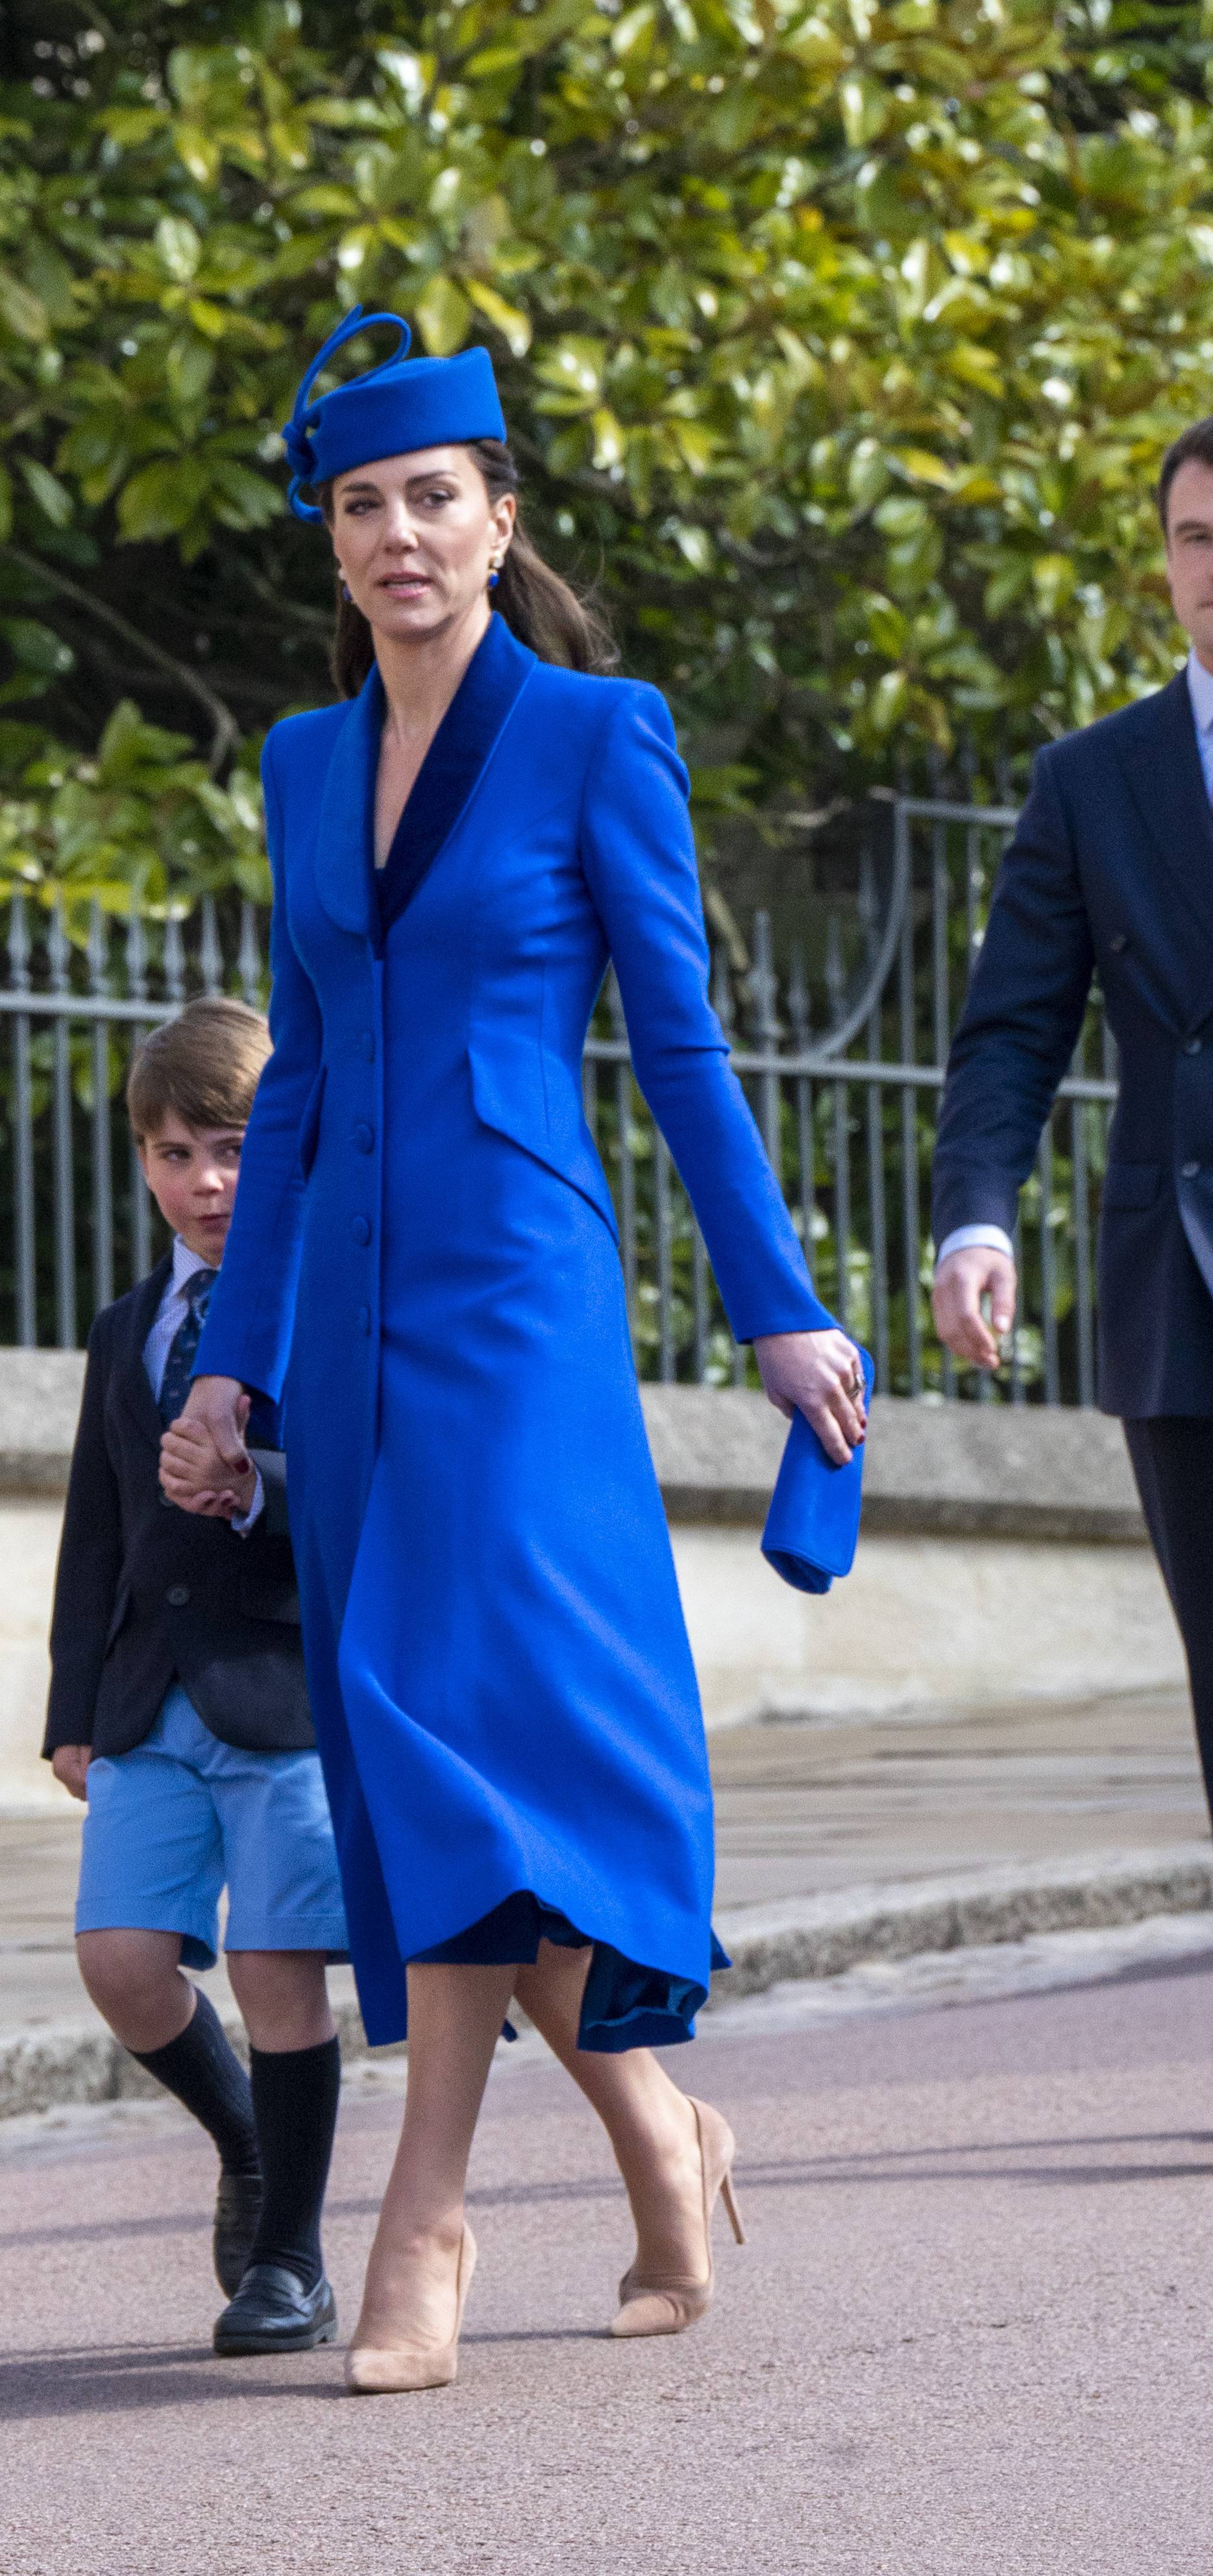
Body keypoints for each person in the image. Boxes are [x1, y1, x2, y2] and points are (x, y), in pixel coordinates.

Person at [165, 306, 867, 2395]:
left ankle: (427, 2216)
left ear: (499, 518)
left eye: (435, 498)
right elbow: (286, 1099)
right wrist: (238, 1362)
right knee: (430, 1752)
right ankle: (666, 2138)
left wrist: (780, 1299)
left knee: (447, 1715)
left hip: (524, 1309)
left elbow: (677, 1043)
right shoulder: (301, 762)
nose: (401, 534)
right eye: (363, 503)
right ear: (336, 536)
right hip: (360, 1337)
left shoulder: (595, 731)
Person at [931, 406, 1213, 2137]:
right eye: (1199, 538)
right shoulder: (1094, 778)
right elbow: (1008, 1038)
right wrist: (977, 1217)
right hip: (1180, 1284)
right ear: (1164, 557)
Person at [45, 997, 349, 2354]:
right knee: (121, 1962)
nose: (204, 1179)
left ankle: (289, 2258)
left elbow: (364, 1486)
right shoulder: (125, 1327)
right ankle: (249, 2149)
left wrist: (251, 1492)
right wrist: (69, 1712)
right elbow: (92, 1530)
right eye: (173, 1152)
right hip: (147, 1699)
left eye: (228, 1144)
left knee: (281, 1970)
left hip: (280, 1696)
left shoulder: (325, 1298)